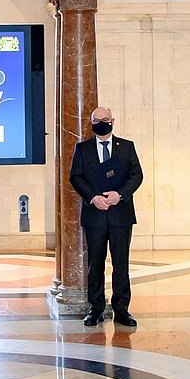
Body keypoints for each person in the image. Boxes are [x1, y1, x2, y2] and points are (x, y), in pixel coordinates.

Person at [68, 106, 144, 328]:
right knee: (95, 264)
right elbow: (76, 177)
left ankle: (122, 309)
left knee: (121, 263)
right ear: (91, 123)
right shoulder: (82, 149)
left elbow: (137, 175)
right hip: (95, 215)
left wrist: (119, 195)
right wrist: (93, 198)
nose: (102, 122)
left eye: (105, 119)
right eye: (97, 119)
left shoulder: (127, 147)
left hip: (121, 215)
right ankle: (96, 308)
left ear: (113, 121)